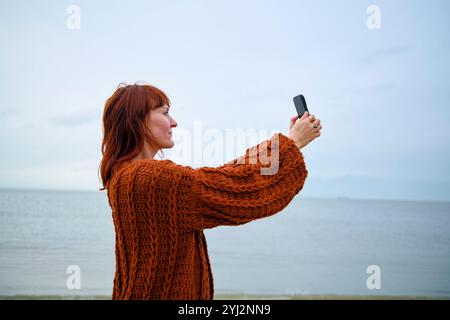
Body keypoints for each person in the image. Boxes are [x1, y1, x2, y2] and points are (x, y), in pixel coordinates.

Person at [99, 83, 322, 300]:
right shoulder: (152, 179)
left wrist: (286, 142)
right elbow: (236, 188)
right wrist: (292, 143)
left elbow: (225, 176)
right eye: (165, 112)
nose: (174, 122)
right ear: (136, 120)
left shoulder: (123, 177)